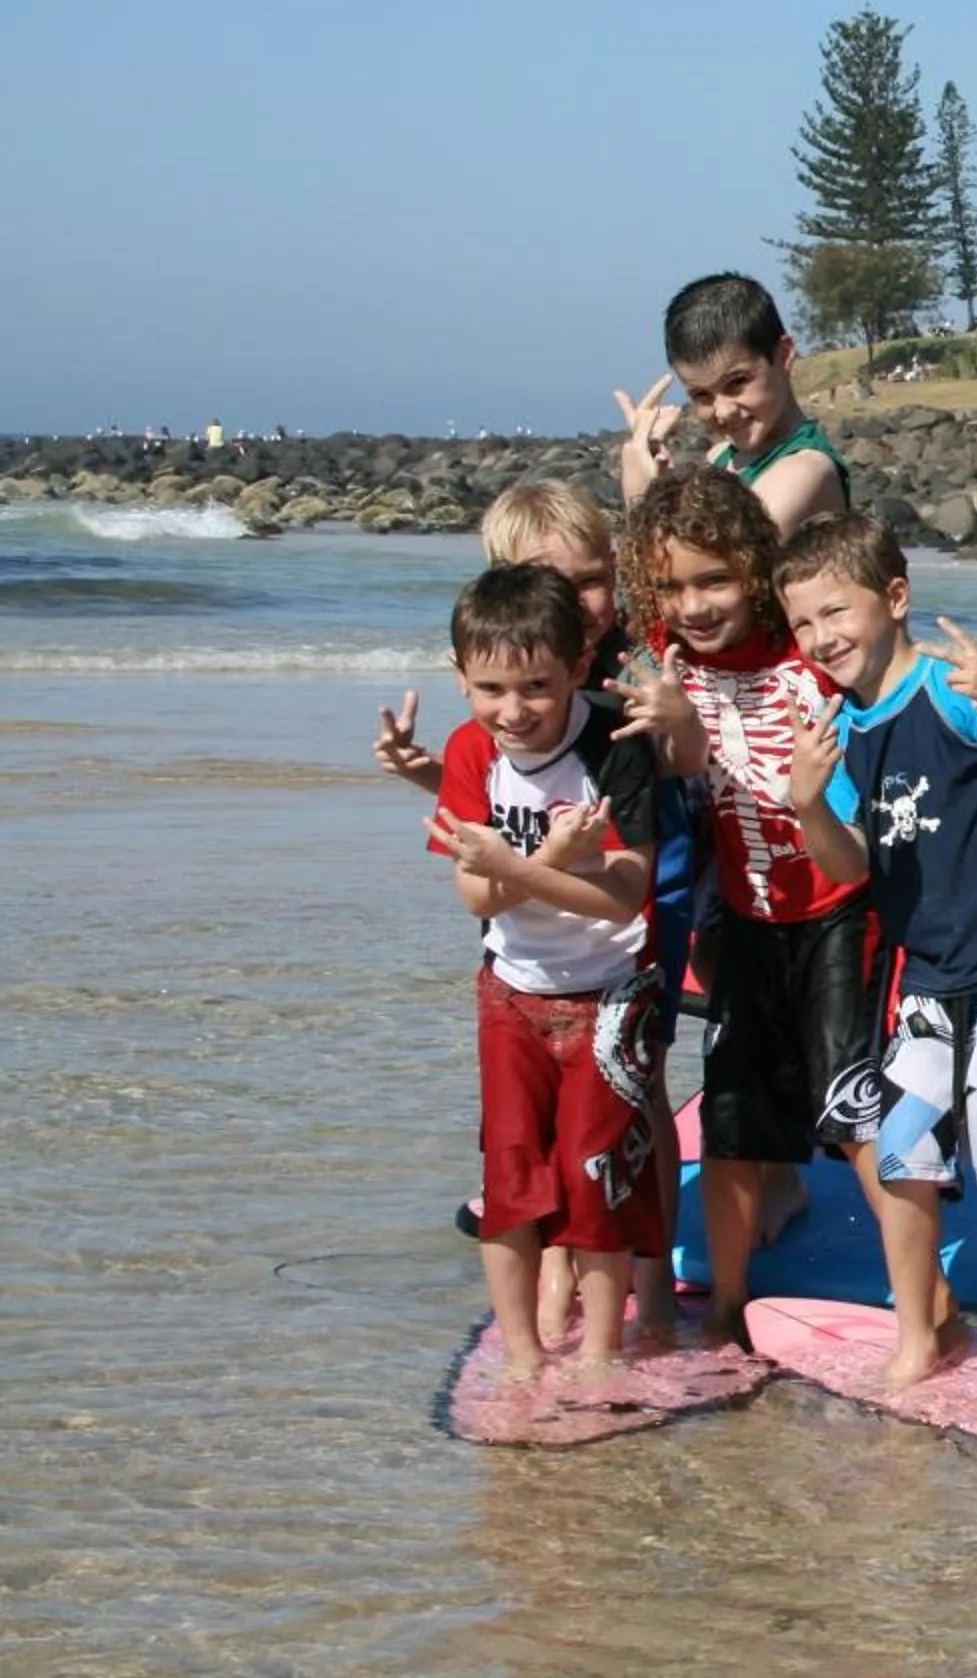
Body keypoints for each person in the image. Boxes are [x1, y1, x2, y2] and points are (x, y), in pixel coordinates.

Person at [776, 513, 977, 1397]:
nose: (820, 638)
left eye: (834, 612)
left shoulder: (958, 690)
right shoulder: (844, 728)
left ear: (896, 598)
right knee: (902, 1157)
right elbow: (852, 868)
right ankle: (923, 1335)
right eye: (802, 623)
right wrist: (808, 807)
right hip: (927, 972)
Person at [377, 480, 688, 1342]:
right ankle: (550, 1296)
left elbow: (614, 846)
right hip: (520, 957)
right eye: (556, 582)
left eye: (593, 581)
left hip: (617, 948)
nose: (582, 603)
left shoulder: (619, 690)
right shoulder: (499, 712)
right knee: (527, 1151)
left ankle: (646, 1290)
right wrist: (431, 781)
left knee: (634, 1110)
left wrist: (535, 862)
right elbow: (493, 836)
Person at [615, 467, 875, 1353]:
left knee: (856, 1113)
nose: (693, 603)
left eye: (715, 581)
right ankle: (726, 1308)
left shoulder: (808, 658)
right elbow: (683, 758)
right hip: (747, 918)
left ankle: (926, 1299)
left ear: (757, 574)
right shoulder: (667, 654)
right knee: (728, 1114)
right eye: (674, 587)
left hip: (840, 910)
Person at [428, 563, 665, 1382]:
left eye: (535, 685)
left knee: (598, 1181)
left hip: (610, 995)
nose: (513, 709)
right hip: (512, 994)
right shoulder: (469, 754)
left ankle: (601, 1354)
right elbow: (471, 895)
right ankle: (524, 1355)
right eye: (490, 687)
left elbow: (628, 898)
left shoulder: (614, 745)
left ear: (574, 668)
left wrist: (527, 867)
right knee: (511, 1179)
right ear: (460, 680)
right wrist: (551, 862)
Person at [617, 273, 849, 532]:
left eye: (737, 383)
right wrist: (662, 481)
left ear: (784, 356)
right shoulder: (720, 458)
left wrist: (641, 499)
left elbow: (719, 562)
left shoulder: (806, 471)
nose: (723, 411)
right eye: (702, 395)